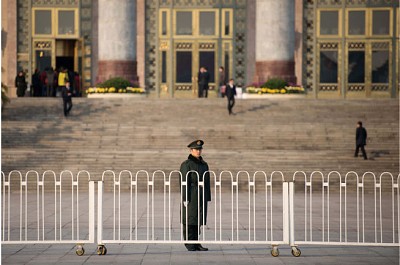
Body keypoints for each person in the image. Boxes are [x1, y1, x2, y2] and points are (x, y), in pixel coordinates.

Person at [179, 140, 211, 251]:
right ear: (191, 150)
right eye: (196, 149)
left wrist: (207, 196)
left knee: (198, 219)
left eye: (200, 149)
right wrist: (185, 197)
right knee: (190, 218)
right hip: (191, 194)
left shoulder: (204, 164)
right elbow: (183, 182)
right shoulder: (186, 164)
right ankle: (189, 243)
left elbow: (207, 181)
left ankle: (197, 242)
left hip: (201, 194)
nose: (198, 151)